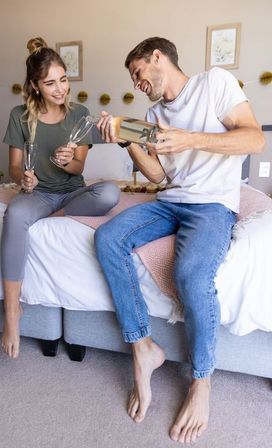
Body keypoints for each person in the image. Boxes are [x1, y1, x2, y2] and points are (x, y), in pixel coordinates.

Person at [95, 36, 265, 443]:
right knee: (107, 238)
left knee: (190, 274)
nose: (136, 82)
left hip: (212, 206)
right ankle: (143, 348)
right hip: (171, 202)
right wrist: (128, 140)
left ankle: (201, 381)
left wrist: (190, 138)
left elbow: (254, 139)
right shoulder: (153, 113)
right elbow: (157, 176)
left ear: (158, 58)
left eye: (138, 73)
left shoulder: (215, 83)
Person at [1, 37, 120, 359]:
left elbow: (79, 167)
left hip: (71, 193)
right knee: (13, 216)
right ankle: (12, 311)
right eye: (51, 83)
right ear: (35, 86)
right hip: (38, 194)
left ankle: (56, 215)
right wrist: (22, 178)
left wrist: (65, 160)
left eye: (64, 80)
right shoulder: (19, 116)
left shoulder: (80, 113)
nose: (60, 89)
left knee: (110, 191)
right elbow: (13, 167)